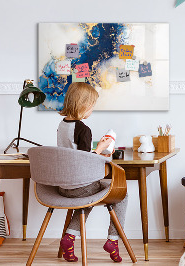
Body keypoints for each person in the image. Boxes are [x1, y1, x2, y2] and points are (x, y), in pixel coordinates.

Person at [57, 82, 127, 263]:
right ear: (83, 105)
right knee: (122, 194)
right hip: (80, 186)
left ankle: (69, 238)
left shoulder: (62, 125)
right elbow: (85, 161)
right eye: (92, 106)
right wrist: (102, 148)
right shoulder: (83, 129)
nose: (92, 110)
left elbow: (74, 154)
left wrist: (97, 149)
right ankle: (113, 240)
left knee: (87, 197)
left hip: (63, 186)